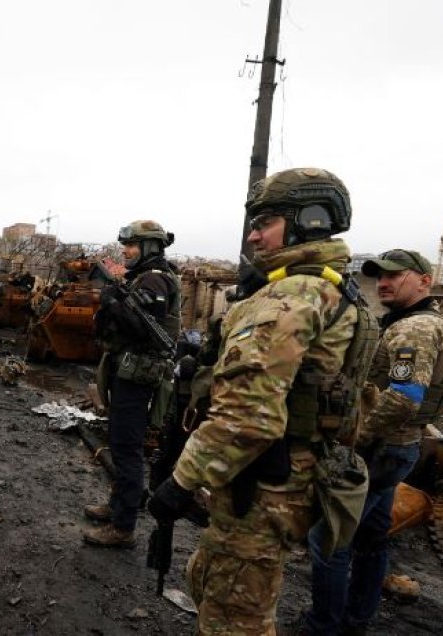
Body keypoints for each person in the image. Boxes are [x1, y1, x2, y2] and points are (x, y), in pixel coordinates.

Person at [149, 167, 362, 634]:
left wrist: (180, 482)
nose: (253, 234)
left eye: (265, 221)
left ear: (308, 220)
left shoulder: (291, 296)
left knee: (233, 615)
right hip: (283, 473)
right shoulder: (330, 287)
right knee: (217, 584)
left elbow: (249, 417)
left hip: (264, 481)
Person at [303, 249, 443, 635]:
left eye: (394, 276)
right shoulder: (408, 322)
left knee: (328, 541)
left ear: (424, 281)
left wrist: (357, 442)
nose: (383, 283)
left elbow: (403, 397)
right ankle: (356, 619)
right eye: (379, 276)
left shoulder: (414, 328)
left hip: (381, 448)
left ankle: (323, 626)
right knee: (372, 536)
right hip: (397, 446)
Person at [83, 220, 181, 548]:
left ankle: (123, 526)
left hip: (138, 375)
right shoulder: (143, 277)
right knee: (121, 440)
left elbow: (141, 328)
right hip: (128, 370)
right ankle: (116, 507)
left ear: (150, 247)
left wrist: (111, 301)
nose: (126, 251)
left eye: (132, 245)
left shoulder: (155, 280)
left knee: (127, 447)